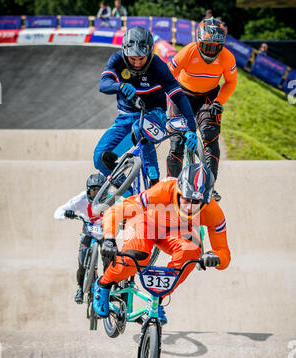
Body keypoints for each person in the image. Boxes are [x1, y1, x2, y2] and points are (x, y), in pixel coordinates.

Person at [93, 163, 231, 325]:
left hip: (177, 233)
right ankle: (104, 283)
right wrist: (109, 238)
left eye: (196, 202)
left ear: (206, 200)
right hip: (146, 222)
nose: (189, 206)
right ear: (178, 190)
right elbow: (117, 210)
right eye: (186, 198)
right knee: (136, 257)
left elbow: (224, 253)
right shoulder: (164, 190)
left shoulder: (213, 212)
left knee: (192, 252)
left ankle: (157, 301)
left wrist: (216, 257)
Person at [93, 26, 198, 187]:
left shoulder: (159, 67)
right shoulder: (117, 60)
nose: (136, 63)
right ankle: (127, 193)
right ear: (124, 52)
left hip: (154, 114)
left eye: (141, 59)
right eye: (132, 58)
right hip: (125, 116)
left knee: (140, 127)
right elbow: (103, 84)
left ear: (150, 54)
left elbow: (179, 98)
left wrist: (191, 129)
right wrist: (119, 86)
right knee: (99, 159)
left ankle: (153, 178)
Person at [167, 17, 237, 201]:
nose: (211, 51)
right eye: (207, 46)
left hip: (209, 98)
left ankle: (210, 186)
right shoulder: (187, 52)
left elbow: (231, 83)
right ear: (198, 41)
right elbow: (167, 76)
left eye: (216, 47)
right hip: (182, 96)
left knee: (210, 138)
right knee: (176, 143)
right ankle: (170, 185)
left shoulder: (228, 58)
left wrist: (219, 101)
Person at [54, 173, 106, 304]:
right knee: (82, 259)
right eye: (94, 190)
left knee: (111, 258)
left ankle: (109, 286)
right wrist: (66, 214)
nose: (96, 194)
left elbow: (125, 206)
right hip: (88, 231)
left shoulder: (112, 198)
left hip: (105, 232)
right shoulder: (82, 198)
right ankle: (79, 287)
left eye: (100, 190)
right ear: (88, 190)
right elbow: (59, 211)